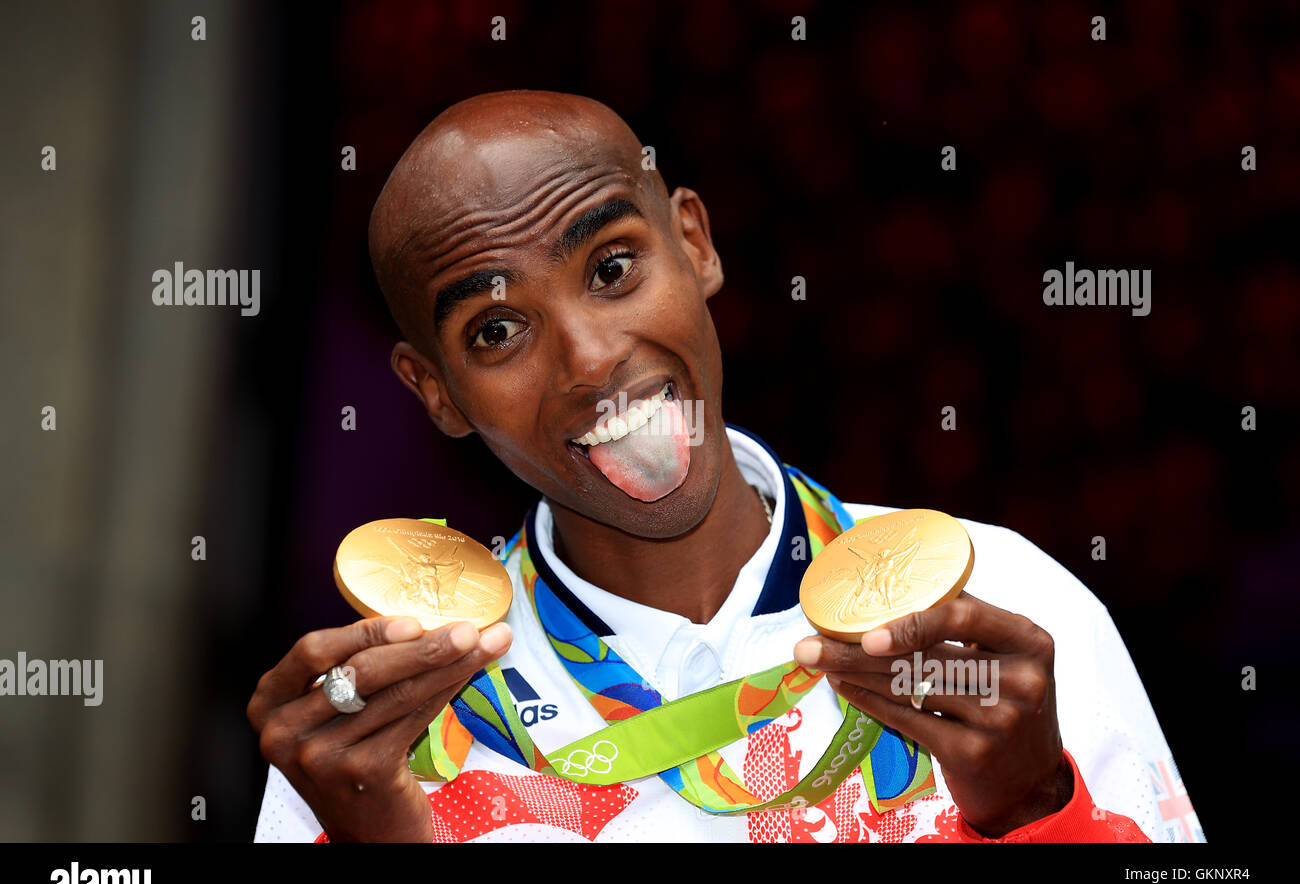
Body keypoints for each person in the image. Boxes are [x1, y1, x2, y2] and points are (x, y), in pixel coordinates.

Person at [247, 90, 1201, 843]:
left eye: (613, 268)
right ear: (437, 392)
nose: (589, 358)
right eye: (497, 330)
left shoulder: (1004, 613)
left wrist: (1036, 813)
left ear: (693, 243)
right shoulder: (379, 728)